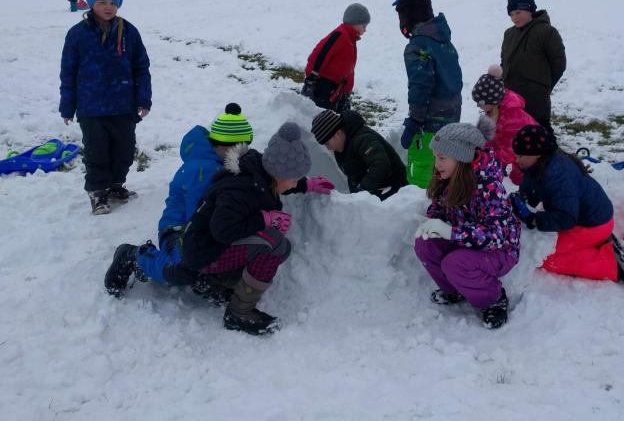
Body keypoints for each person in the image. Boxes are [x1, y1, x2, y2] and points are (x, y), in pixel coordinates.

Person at [181, 122, 334, 335]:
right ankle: (239, 313)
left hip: (209, 247)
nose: (294, 183)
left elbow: (273, 183)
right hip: (203, 253)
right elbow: (222, 230)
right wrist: (264, 219)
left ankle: (216, 283)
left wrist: (306, 184)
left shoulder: (259, 173)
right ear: (279, 174)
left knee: (277, 245)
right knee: (274, 244)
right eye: (294, 180)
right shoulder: (240, 190)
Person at [104, 103, 255, 297]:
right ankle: (134, 256)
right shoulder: (202, 171)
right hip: (179, 230)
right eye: (239, 146)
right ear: (222, 145)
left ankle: (205, 278)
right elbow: (197, 218)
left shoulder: (227, 164)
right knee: (183, 270)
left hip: (207, 229)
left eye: (246, 145)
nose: (244, 151)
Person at [413, 122, 521, 329]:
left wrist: (452, 232)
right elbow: (439, 207)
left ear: (461, 158)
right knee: (425, 244)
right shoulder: (448, 177)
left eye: (442, 158)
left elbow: (496, 235)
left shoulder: (489, 186)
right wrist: (433, 223)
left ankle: (493, 299)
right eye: (435, 157)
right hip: (466, 241)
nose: (437, 164)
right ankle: (454, 289)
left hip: (499, 251)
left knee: (455, 263)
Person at [59, 0, 151, 214]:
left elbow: (141, 67)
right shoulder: (78, 34)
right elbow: (68, 72)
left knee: (124, 150)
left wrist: (144, 98)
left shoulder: (128, 31)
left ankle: (116, 184)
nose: (108, 7)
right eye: (102, 2)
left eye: (112, 3)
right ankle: (98, 192)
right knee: (96, 152)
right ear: (91, 4)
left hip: (124, 104)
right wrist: (68, 106)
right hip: (91, 107)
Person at [511, 125, 624, 285]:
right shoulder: (538, 164)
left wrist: (534, 219)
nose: (516, 160)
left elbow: (566, 219)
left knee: (542, 257)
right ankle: (594, 244)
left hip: (593, 225)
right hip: (581, 218)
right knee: (539, 249)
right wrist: (519, 202)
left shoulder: (560, 175)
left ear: (538, 153)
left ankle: (608, 264)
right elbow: (530, 188)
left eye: (520, 156)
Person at [393, 0, 463, 188]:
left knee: (423, 175)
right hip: (451, 119)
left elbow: (420, 86)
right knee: (446, 171)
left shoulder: (418, 46)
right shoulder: (444, 41)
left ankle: (424, 206)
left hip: (429, 124)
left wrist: (415, 121)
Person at [500, 0, 566, 128]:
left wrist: (542, 86)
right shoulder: (509, 34)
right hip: (511, 99)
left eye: (518, 12)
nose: (514, 17)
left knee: (539, 135)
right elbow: (504, 62)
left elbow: (559, 64)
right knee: (513, 135)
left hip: (535, 101)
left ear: (529, 10)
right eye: (511, 14)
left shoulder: (547, 32)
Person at [311, 108, 407, 200]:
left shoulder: (364, 139)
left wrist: (362, 189)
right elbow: (353, 176)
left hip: (396, 191)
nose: (328, 148)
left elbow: (381, 166)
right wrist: (355, 195)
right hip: (376, 193)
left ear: (337, 134)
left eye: (327, 143)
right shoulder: (342, 148)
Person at [471, 64, 537, 185]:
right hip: (514, 151)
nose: (478, 105)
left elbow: (510, 150)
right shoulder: (493, 111)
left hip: (529, 152)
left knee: (521, 179)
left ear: (492, 101)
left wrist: (492, 160)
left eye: (480, 102)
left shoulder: (512, 118)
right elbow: (490, 140)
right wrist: (481, 152)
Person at [302, 3, 371, 112]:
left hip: (337, 89)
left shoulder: (351, 39)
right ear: (354, 23)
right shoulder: (340, 35)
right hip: (323, 86)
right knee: (320, 116)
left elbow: (348, 69)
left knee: (334, 117)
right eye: (364, 26)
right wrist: (311, 78)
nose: (365, 30)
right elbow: (320, 54)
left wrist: (346, 92)